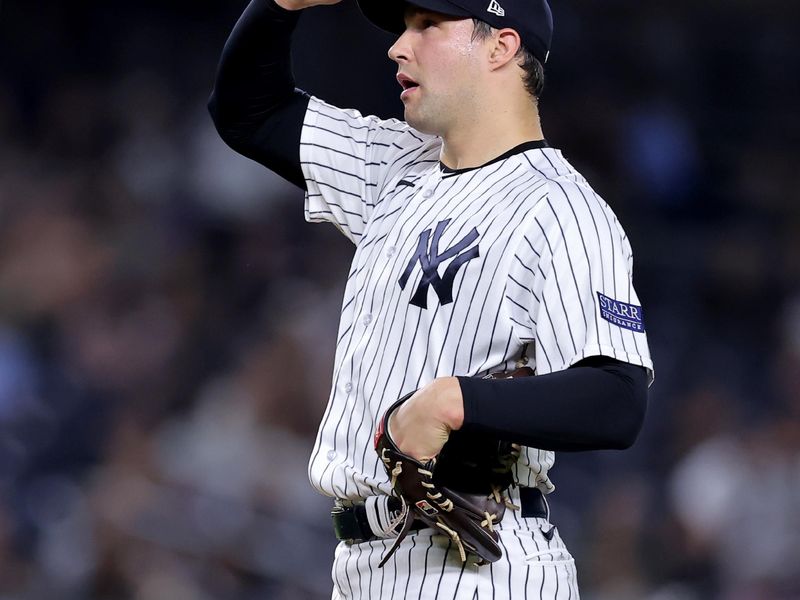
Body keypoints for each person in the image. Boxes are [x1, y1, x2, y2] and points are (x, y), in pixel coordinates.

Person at [209, 0, 654, 596]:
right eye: (403, 26)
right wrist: (280, 6)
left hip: (481, 562)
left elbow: (615, 398)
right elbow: (247, 110)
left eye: (428, 26)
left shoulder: (562, 209)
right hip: (368, 563)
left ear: (500, 46)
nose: (398, 46)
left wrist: (456, 402)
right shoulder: (396, 165)